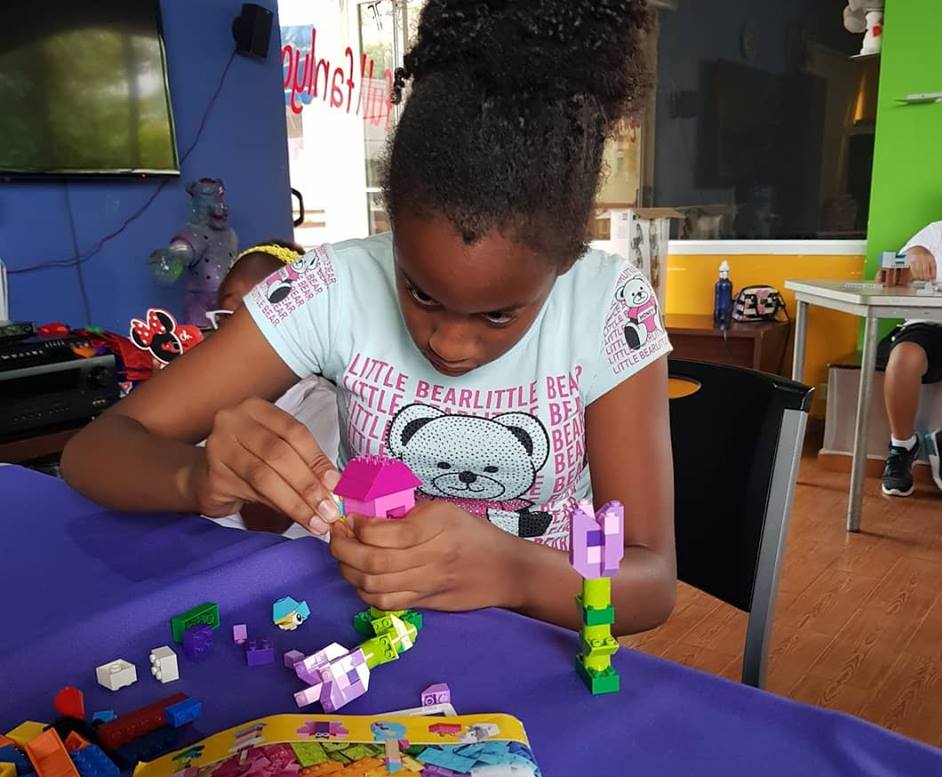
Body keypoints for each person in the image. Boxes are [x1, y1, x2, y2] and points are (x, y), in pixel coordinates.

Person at [61, 0, 676, 634]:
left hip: (540, 646)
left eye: (498, 315)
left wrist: (515, 571)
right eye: (421, 293)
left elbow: (652, 583)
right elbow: (94, 452)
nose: (449, 344)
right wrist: (196, 476)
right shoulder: (335, 288)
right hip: (371, 639)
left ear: (568, 257)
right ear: (393, 228)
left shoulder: (607, 308)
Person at [208, 241, 340, 535]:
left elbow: (270, 524)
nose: (241, 337)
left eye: (261, 319)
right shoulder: (201, 399)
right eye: (229, 316)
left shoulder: (327, 409)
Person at [878, 217, 942, 499]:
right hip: (927, 325)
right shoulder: (938, 232)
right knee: (904, 358)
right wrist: (914, 255)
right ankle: (902, 447)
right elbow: (893, 271)